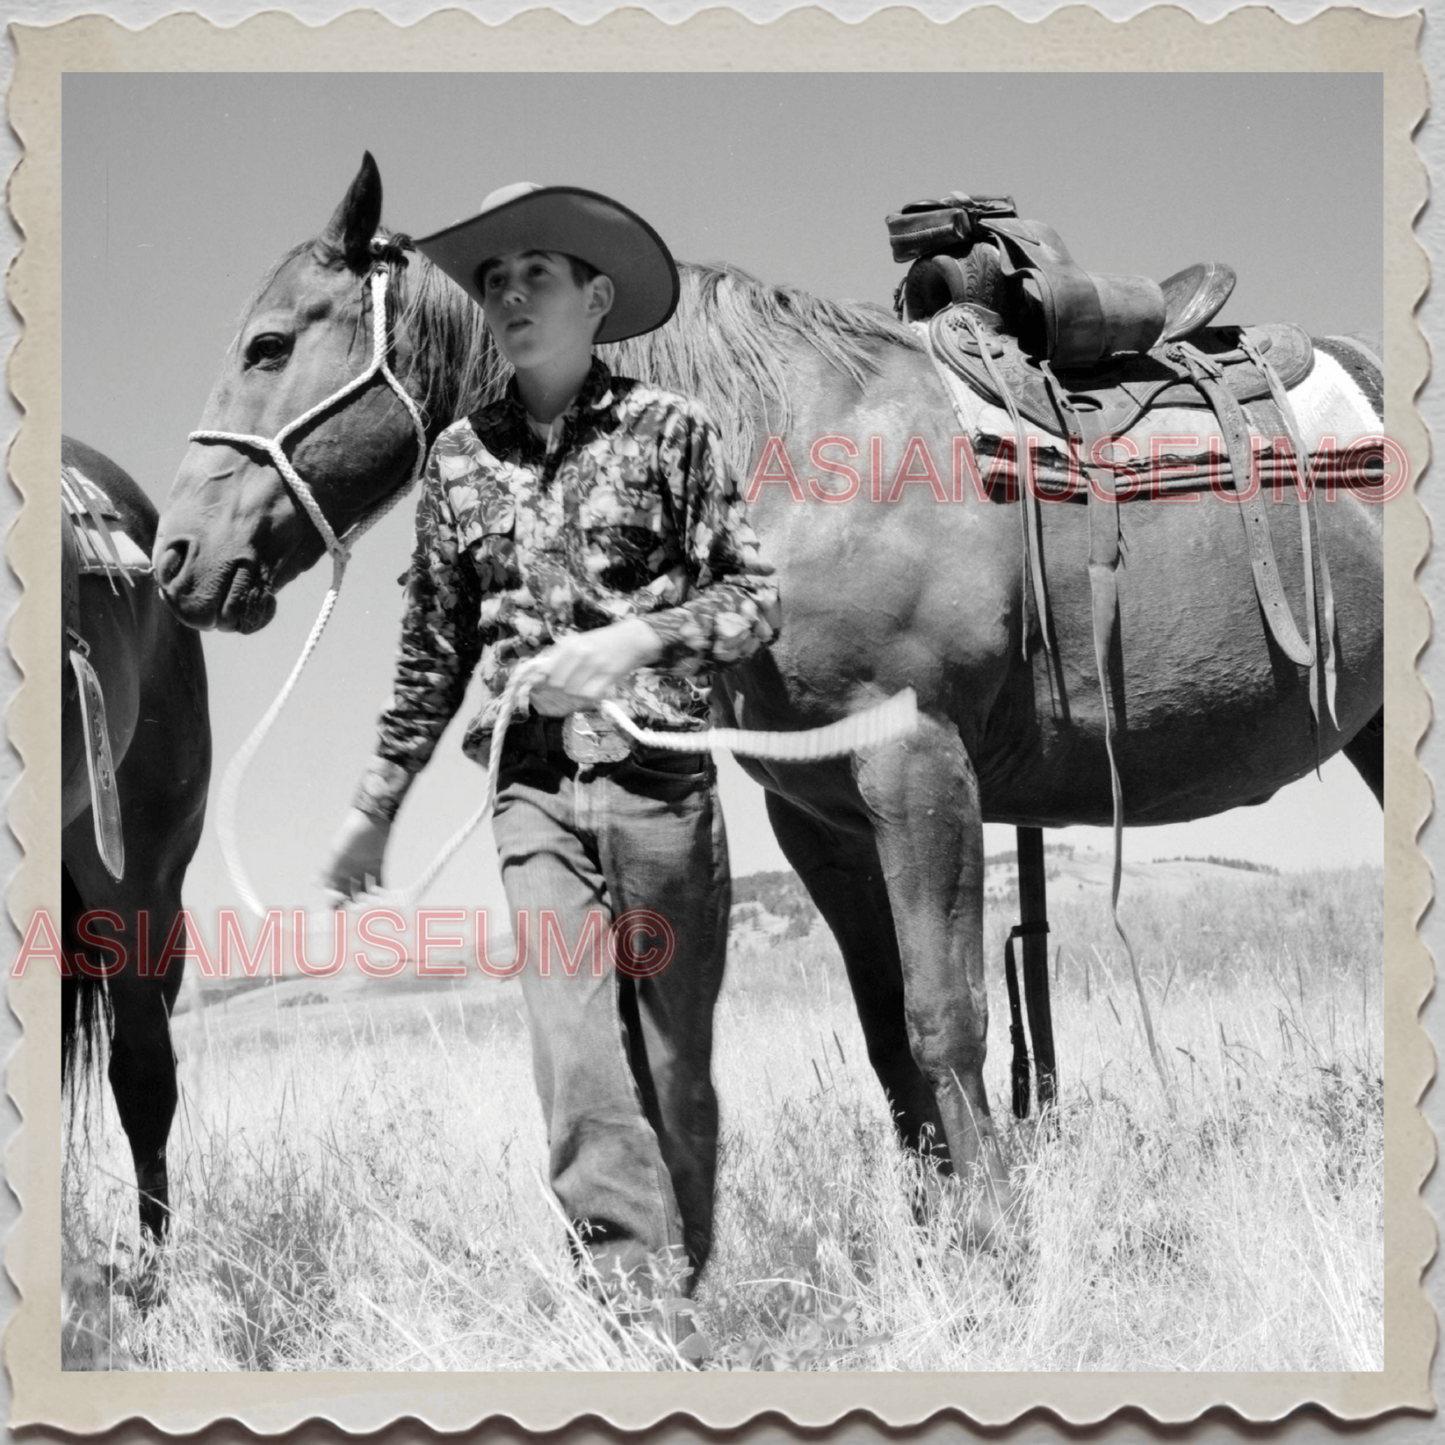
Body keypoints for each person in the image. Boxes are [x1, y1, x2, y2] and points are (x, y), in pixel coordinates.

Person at [321, 183, 778, 1308]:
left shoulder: (675, 431)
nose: (509, 294)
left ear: (595, 296)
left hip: (660, 782)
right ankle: (632, 1309)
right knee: (574, 1050)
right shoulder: (456, 464)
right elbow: (429, 656)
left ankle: (689, 1276)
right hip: (530, 790)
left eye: (535, 272)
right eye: (491, 279)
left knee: (672, 1063)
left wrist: (633, 640)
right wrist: (373, 806)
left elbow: (755, 598)